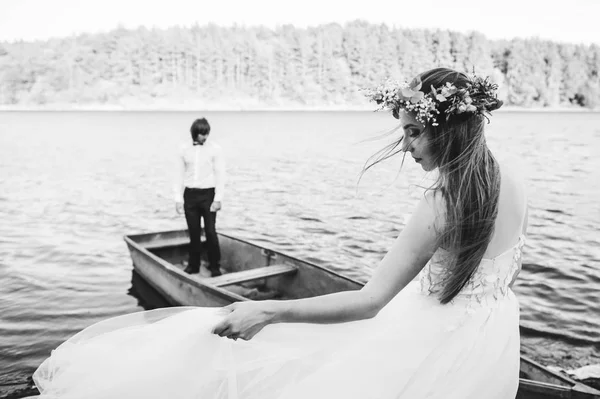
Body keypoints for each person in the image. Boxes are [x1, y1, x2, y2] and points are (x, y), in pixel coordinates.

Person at [32, 68, 527, 399]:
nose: (405, 144)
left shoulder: (440, 204)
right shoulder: (513, 178)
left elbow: (370, 302)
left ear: (449, 128)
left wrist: (269, 309)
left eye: (415, 130)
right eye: (404, 129)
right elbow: (505, 273)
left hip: (425, 333)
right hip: (489, 334)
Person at [174, 117, 225, 277]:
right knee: (194, 232)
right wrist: (178, 199)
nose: (204, 137)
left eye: (206, 133)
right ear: (194, 133)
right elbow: (178, 174)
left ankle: (214, 266)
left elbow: (220, 174)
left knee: (210, 232)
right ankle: (193, 265)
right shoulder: (183, 149)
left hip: (208, 194)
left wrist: (218, 198)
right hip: (190, 194)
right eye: (201, 134)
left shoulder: (215, 149)